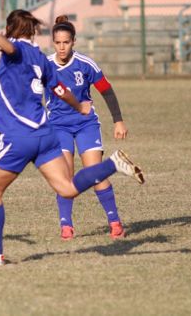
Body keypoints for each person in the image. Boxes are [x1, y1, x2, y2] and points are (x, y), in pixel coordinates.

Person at [0, 10, 144, 266]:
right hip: (45, 134)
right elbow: (60, 89)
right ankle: (112, 164)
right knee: (67, 189)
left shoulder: (15, 49)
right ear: (33, 31)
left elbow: (8, 47)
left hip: (18, 134)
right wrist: (80, 106)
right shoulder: (42, 59)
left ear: (9, 30)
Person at [46, 15, 130, 240]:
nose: (62, 47)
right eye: (58, 42)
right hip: (57, 126)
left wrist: (118, 120)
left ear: (73, 41)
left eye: (66, 42)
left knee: (95, 174)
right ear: (53, 43)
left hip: (86, 124)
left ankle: (114, 222)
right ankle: (66, 225)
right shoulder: (45, 66)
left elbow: (106, 90)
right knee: (65, 176)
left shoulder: (85, 64)